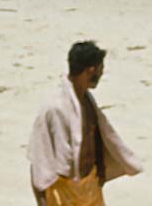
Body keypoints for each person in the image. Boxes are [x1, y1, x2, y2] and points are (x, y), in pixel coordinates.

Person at [28, 41, 142, 206]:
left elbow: (96, 135)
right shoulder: (55, 108)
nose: (102, 74)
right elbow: (38, 158)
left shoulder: (87, 101)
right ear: (91, 70)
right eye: (101, 69)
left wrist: (101, 168)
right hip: (63, 190)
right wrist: (42, 202)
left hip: (90, 184)